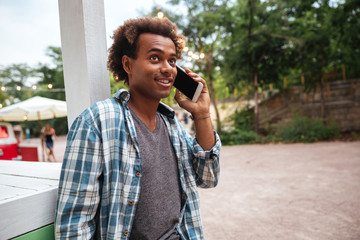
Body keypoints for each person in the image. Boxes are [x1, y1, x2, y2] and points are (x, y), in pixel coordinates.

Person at [55, 16, 221, 239]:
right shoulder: (97, 122)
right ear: (128, 64)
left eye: (172, 61)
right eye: (155, 58)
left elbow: (208, 178)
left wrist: (201, 114)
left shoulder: (173, 126)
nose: (167, 69)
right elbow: (75, 223)